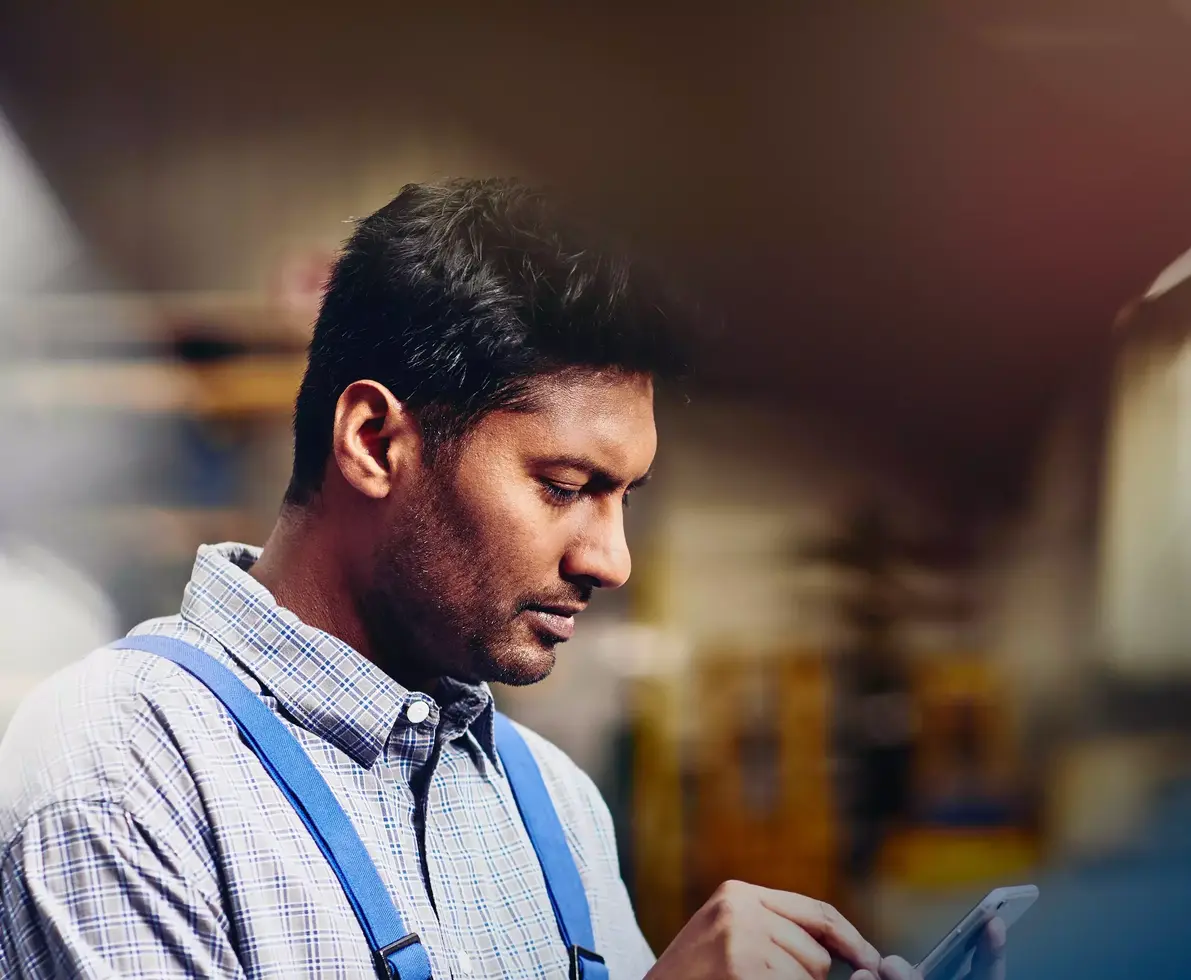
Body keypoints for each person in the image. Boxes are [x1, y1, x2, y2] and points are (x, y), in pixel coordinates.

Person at [0, 178, 1005, 980]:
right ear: (373, 438)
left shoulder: (553, 805)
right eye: (566, 486)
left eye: (624, 497)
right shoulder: (123, 778)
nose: (609, 558)